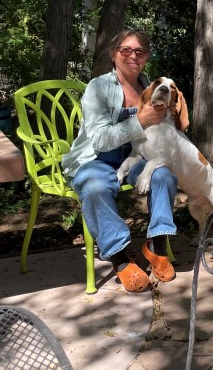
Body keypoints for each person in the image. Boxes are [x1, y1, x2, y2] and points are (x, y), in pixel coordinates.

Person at [62, 30, 179, 293]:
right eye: (125, 50)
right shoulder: (99, 87)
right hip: (97, 158)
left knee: (164, 176)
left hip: (138, 156)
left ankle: (156, 246)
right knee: (94, 188)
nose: (132, 56)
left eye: (139, 51)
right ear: (114, 54)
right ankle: (121, 259)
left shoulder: (152, 88)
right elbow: (101, 140)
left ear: (146, 57)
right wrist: (141, 120)